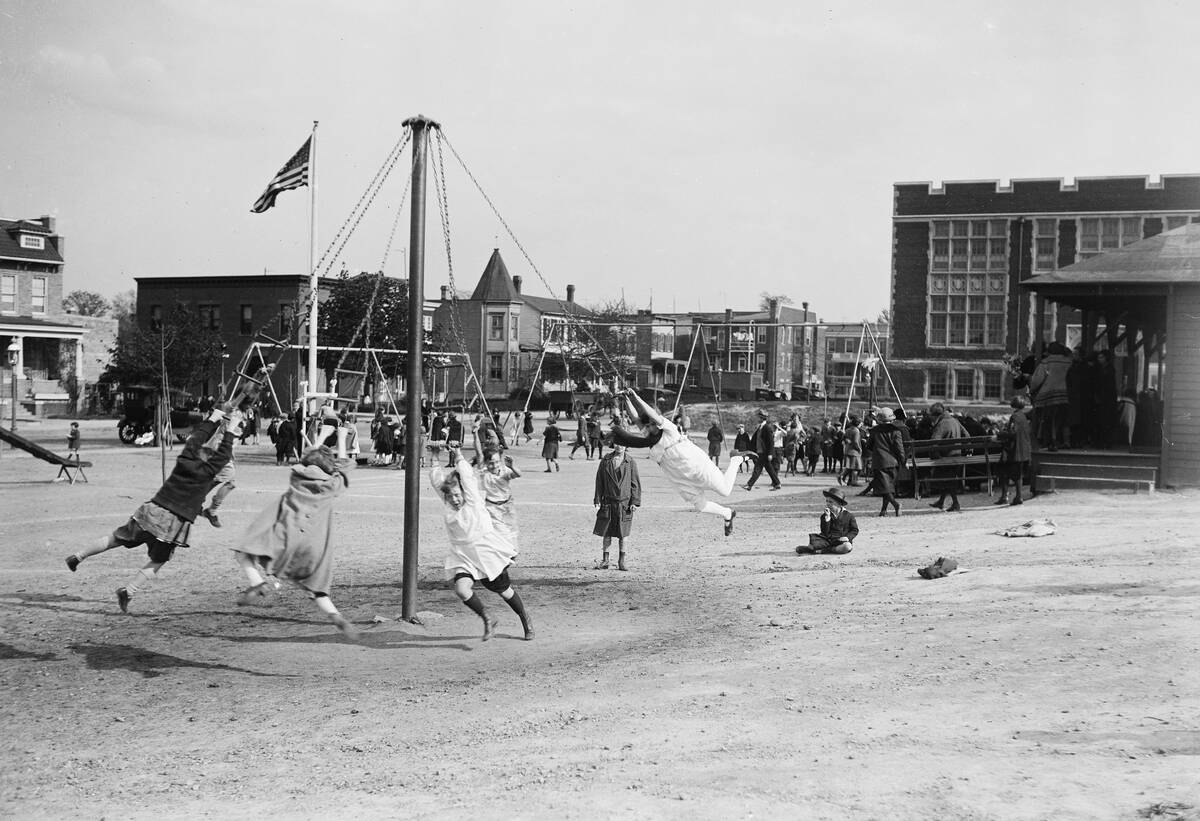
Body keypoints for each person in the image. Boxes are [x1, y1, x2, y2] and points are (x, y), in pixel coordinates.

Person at [64, 401, 251, 612]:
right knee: (159, 559)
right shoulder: (209, 472)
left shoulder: (185, 458)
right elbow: (224, 454)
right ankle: (129, 590)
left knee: (116, 538)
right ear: (211, 462)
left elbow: (196, 439)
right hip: (173, 523)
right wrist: (232, 430)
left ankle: (78, 556)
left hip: (153, 510)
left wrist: (213, 419)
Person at [232, 428, 359, 639]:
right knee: (317, 588)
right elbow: (345, 466)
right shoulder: (331, 485)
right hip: (314, 545)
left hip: (286, 535)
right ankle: (335, 615)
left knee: (243, 551)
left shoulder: (296, 477)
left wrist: (321, 436)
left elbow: (308, 457)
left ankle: (256, 583)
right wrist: (342, 438)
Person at [432, 445, 533, 641]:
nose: (454, 498)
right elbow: (438, 482)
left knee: (504, 591)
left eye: (457, 494)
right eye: (450, 496)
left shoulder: (473, 500)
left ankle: (524, 617)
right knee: (461, 589)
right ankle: (487, 618)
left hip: (486, 553)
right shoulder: (449, 503)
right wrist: (435, 456)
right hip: (464, 557)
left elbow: (468, 478)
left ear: (464, 492)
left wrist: (459, 454)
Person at [614, 389, 748, 536]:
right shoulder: (649, 437)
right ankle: (727, 513)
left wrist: (636, 397)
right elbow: (636, 419)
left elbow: (654, 415)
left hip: (696, 466)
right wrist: (625, 399)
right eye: (649, 425)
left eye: (652, 424)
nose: (650, 427)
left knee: (725, 491)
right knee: (700, 506)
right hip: (679, 477)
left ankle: (735, 460)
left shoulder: (669, 429)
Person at [592, 440, 641, 570]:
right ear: (613, 445)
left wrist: (635, 502)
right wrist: (597, 498)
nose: (619, 446)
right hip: (608, 501)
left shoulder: (630, 462)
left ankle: (622, 561)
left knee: (623, 534)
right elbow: (599, 481)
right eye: (617, 444)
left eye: (622, 444)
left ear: (626, 446)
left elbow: (635, 483)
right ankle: (605, 560)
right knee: (606, 532)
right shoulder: (606, 460)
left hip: (624, 503)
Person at [475, 438, 522, 549]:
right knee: (499, 535)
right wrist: (475, 433)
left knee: (512, 534)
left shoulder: (504, 472)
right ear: (486, 463)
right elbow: (478, 452)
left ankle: (508, 554)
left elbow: (518, 474)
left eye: (497, 462)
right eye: (491, 463)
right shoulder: (483, 472)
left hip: (507, 507)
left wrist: (512, 466)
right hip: (491, 508)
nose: (495, 465)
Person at [1029, 342, 1072, 450]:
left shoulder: (1046, 362)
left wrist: (1032, 389)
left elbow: (1036, 380)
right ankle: (1064, 442)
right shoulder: (1069, 362)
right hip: (1066, 395)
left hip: (1048, 395)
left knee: (1047, 420)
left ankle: (1049, 443)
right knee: (1063, 420)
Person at [927, 403, 969, 513]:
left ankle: (955, 503)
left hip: (947, 457)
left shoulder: (942, 424)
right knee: (949, 478)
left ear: (935, 415)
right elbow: (967, 435)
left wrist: (934, 455)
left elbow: (933, 441)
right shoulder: (955, 420)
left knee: (947, 480)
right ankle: (941, 501)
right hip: (957, 456)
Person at [866, 407, 906, 517]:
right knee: (888, 487)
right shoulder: (896, 431)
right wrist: (903, 461)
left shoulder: (874, 431)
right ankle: (883, 510)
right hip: (893, 462)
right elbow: (900, 448)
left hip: (879, 461)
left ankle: (896, 505)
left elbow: (868, 446)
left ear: (879, 419)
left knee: (884, 487)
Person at [796, 488, 859, 555]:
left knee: (847, 547)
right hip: (828, 540)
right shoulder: (825, 516)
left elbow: (854, 530)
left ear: (839, 504)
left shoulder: (849, 515)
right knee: (816, 542)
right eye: (827, 501)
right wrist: (827, 519)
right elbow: (824, 532)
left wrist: (847, 537)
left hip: (841, 541)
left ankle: (824, 550)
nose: (828, 504)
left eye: (831, 502)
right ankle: (812, 548)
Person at [995, 395, 1032, 506]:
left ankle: (1005, 496)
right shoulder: (1023, 416)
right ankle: (1018, 496)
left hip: (1015, 450)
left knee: (1003, 471)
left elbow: (1013, 432)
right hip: (1023, 449)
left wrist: (1000, 434)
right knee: (1018, 474)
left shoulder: (1015, 416)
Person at [744, 411, 782, 491]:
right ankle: (777, 483)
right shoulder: (760, 427)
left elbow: (770, 442)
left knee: (758, 468)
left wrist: (770, 453)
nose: (757, 418)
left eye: (758, 417)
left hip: (765, 453)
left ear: (762, 418)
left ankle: (749, 485)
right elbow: (755, 440)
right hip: (760, 452)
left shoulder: (767, 428)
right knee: (769, 469)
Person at [839, 416, 864, 487]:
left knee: (850, 467)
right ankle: (853, 481)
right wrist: (859, 449)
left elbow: (844, 438)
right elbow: (855, 442)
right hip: (854, 451)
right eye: (861, 423)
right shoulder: (856, 431)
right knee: (857, 467)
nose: (861, 425)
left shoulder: (848, 429)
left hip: (848, 450)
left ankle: (849, 480)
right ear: (858, 423)